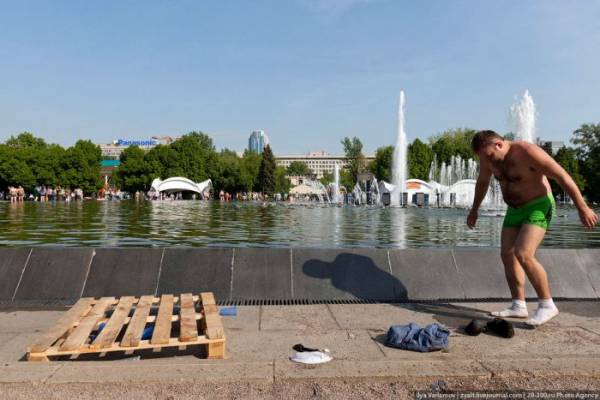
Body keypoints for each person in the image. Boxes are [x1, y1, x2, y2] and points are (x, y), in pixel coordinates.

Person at [468, 130, 598, 326]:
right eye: (483, 158)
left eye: (489, 156)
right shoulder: (488, 159)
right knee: (507, 254)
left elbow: (562, 176)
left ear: (499, 145)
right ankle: (518, 305)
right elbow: (483, 182)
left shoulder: (528, 152)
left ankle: (547, 305)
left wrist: (582, 207)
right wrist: (474, 210)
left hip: (538, 205)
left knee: (523, 253)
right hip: (514, 209)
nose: (487, 161)